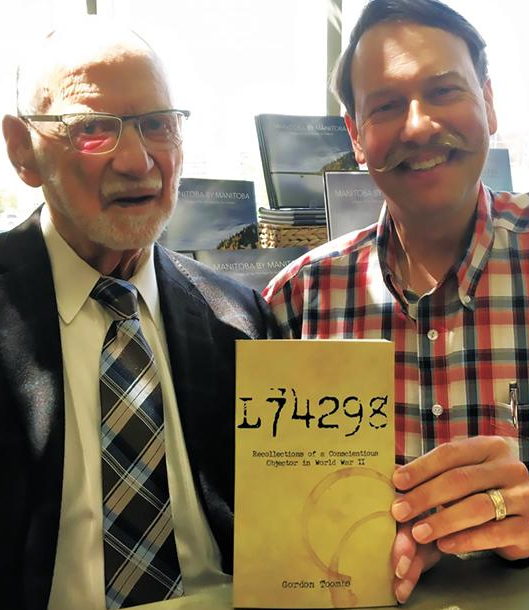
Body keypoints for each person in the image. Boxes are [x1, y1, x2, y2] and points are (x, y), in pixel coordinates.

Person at [0, 22, 277, 610]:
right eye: (93, 129)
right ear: (23, 151)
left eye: (158, 124)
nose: (137, 159)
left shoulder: (242, 319)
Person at [264, 0, 529, 603]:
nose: (417, 126)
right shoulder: (297, 301)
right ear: (356, 135)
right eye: (385, 106)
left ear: (488, 101)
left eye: (443, 91)